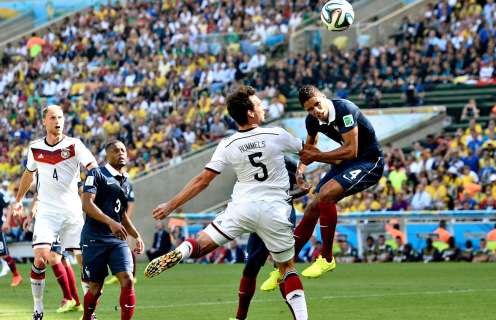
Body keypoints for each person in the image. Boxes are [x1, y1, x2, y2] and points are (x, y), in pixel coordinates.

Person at [144, 86, 309, 320]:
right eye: (258, 103)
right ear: (251, 113)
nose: (263, 106)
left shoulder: (228, 144)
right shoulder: (276, 134)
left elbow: (203, 180)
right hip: (275, 209)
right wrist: (336, 157)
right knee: (286, 269)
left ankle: (182, 251)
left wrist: (171, 205)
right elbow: (310, 151)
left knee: (202, 243)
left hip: (242, 208)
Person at [12, 105, 97, 320]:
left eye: (60, 117)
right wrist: (18, 201)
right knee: (41, 258)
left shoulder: (74, 145)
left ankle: (89, 314)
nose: (57, 121)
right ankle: (38, 308)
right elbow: (28, 175)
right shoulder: (35, 148)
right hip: (47, 213)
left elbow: (93, 167)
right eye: (53, 117)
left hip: (73, 212)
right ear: (44, 122)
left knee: (84, 262)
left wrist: (94, 189)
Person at [291, 85, 384, 278]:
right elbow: (310, 147)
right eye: (309, 109)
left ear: (324, 97)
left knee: (325, 195)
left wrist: (318, 157)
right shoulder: (313, 120)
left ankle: (326, 258)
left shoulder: (344, 110)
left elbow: (352, 150)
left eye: (317, 104)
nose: (315, 111)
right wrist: (299, 173)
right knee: (312, 206)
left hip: (369, 162)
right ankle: (286, 263)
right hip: (346, 163)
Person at [237, 157, 309, 320]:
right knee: (251, 266)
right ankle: (240, 317)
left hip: (281, 214)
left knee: (284, 267)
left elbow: (304, 187)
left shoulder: (286, 162)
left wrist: (283, 196)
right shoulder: (248, 162)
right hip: (259, 215)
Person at [80, 140, 144, 320]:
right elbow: (86, 204)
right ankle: (87, 318)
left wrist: (136, 235)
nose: (121, 153)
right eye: (116, 150)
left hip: (116, 240)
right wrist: (110, 222)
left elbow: (121, 214)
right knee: (95, 287)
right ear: (107, 155)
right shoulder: (96, 173)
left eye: (123, 150)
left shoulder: (126, 182)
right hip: (94, 238)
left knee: (128, 279)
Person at [1, 188, 22, 287]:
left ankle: (16, 276)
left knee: (4, 254)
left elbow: (10, 207)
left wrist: (6, 222)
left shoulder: (1, 194)